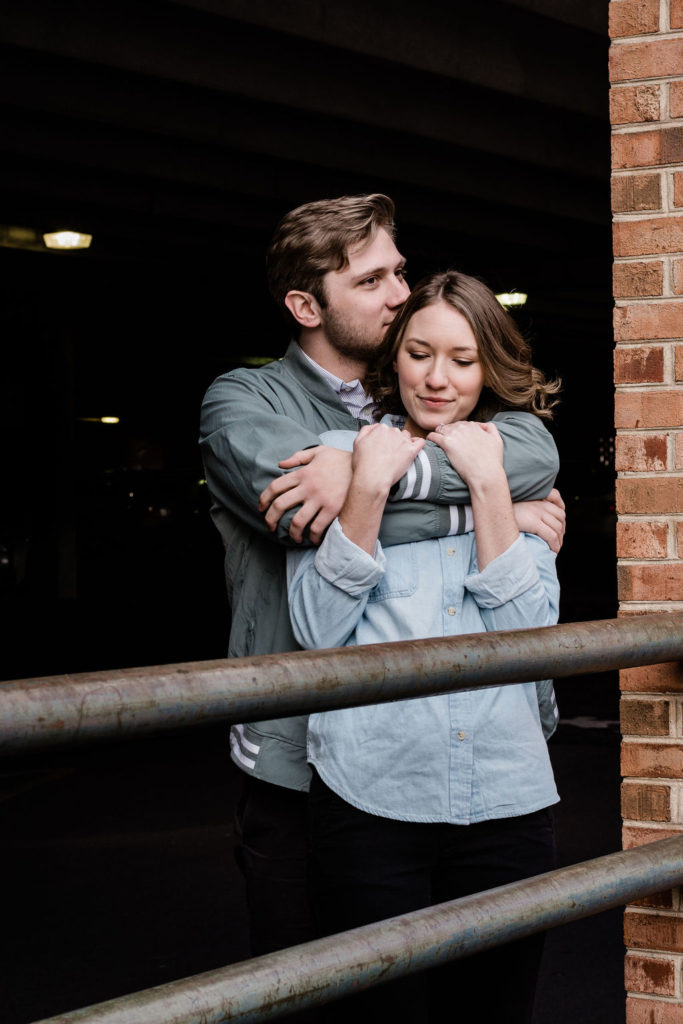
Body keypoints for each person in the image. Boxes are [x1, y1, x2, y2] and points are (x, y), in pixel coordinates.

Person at [199, 194, 565, 957]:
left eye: (398, 271)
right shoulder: (244, 399)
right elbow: (303, 516)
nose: (399, 293)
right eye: (370, 282)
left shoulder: (443, 401)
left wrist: (370, 479)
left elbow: (532, 458)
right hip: (298, 750)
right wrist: (481, 507)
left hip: (442, 756)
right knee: (312, 979)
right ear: (306, 304)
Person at [286, 270, 562, 1023]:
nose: (437, 378)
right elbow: (315, 629)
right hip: (372, 793)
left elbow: (530, 641)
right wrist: (367, 489)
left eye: (462, 360)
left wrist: (489, 490)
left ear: (488, 369)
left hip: (507, 796)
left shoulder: (509, 463)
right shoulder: (340, 454)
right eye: (418, 353)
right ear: (394, 358)